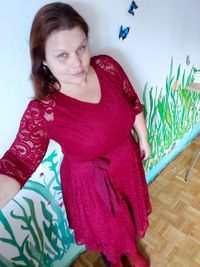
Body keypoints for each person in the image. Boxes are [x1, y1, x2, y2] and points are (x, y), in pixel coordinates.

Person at [0, 2, 152, 267]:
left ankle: (133, 252)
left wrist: (143, 137)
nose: (77, 62)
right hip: (90, 185)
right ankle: (115, 260)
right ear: (43, 60)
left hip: (126, 164)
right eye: (62, 55)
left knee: (128, 216)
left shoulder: (106, 66)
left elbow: (132, 99)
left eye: (81, 47)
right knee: (107, 230)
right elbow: (18, 163)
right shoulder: (43, 109)